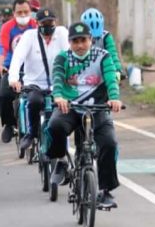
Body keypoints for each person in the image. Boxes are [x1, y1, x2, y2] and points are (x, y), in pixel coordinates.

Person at [45, 22, 122, 208]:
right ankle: (61, 161)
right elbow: (56, 79)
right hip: (70, 107)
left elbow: (111, 78)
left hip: (97, 108)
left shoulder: (103, 57)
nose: (80, 45)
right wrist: (59, 96)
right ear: (69, 42)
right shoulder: (62, 58)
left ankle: (105, 191)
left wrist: (114, 98)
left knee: (109, 143)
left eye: (83, 40)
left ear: (91, 40)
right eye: (75, 41)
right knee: (54, 127)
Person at [8, 8, 69, 152]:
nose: (48, 26)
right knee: (34, 102)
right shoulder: (29, 36)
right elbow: (17, 58)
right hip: (34, 84)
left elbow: (70, 57)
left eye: (50, 22)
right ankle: (31, 133)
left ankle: (64, 149)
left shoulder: (62, 34)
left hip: (57, 85)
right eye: (44, 23)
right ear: (37, 24)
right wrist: (14, 79)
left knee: (62, 110)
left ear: (55, 22)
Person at [0, 0, 38, 143]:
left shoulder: (36, 25)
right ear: (14, 13)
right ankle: (8, 124)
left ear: (31, 12)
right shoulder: (7, 27)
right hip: (10, 67)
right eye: (19, 12)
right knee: (5, 94)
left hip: (32, 67)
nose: (23, 14)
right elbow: (2, 48)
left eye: (26, 11)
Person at [80, 8, 123, 80]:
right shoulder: (78, 39)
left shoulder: (106, 36)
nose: (92, 40)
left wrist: (117, 69)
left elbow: (112, 53)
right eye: (89, 37)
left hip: (104, 71)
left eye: (96, 37)